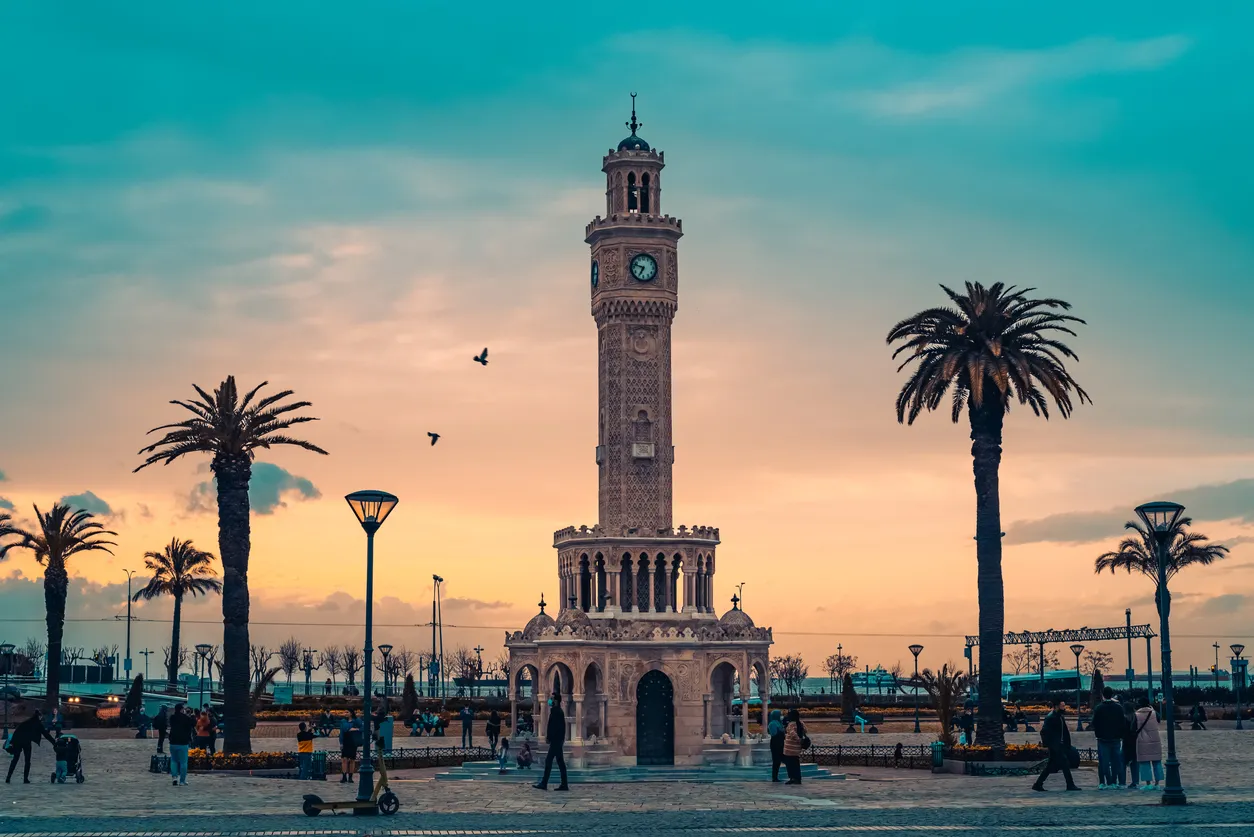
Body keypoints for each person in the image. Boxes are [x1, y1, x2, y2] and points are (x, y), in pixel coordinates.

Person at [1031, 697, 1079, 792]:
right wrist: (1051, 745)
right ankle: (1070, 784)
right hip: (1055, 746)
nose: (1064, 708)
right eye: (1062, 706)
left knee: (1050, 766)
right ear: (1057, 707)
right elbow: (1044, 732)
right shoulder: (1051, 717)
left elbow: (1064, 732)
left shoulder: (1059, 716)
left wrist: (1066, 744)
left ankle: (1038, 784)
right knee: (1065, 763)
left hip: (1059, 745)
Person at [1090, 686, 1127, 789]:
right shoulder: (1118, 707)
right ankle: (1114, 781)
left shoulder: (1099, 708)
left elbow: (1094, 723)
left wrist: (1098, 733)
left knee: (1104, 762)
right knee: (1116, 761)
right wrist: (1120, 734)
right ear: (1112, 694)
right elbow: (1123, 723)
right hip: (1116, 738)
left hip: (1102, 739)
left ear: (1103, 695)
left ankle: (1106, 782)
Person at [5, 710, 55, 783]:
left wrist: (12, 743)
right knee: (27, 761)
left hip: (18, 741)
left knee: (15, 760)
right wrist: (54, 742)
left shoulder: (27, 722)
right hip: (26, 742)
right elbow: (46, 734)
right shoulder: (38, 724)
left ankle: (8, 777)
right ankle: (25, 778)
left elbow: (17, 731)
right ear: (39, 716)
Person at [533, 696, 568, 791]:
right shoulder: (557, 711)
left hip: (556, 741)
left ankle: (544, 783)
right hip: (558, 740)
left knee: (549, 761)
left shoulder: (557, 712)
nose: (550, 700)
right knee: (560, 762)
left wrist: (550, 738)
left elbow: (554, 727)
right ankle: (564, 784)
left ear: (556, 701)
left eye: (552, 699)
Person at [1134, 697, 1163, 790]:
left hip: (1142, 740)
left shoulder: (1136, 714)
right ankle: (1157, 783)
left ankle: (1148, 783)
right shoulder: (1154, 713)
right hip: (1155, 739)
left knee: (1144, 763)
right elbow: (1159, 719)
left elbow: (1133, 727)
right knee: (1157, 762)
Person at [168, 704, 195, 786]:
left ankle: (174, 777)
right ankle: (182, 781)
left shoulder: (172, 718)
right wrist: (190, 715)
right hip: (183, 742)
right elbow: (193, 723)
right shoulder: (186, 718)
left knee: (174, 760)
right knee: (183, 762)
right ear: (181, 709)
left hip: (173, 741)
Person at [782, 708, 807, 785]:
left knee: (790, 765)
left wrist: (798, 739)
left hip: (789, 748)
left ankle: (792, 778)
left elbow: (792, 733)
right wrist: (800, 739)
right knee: (796, 764)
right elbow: (805, 730)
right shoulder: (801, 723)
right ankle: (798, 778)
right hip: (797, 748)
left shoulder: (791, 724)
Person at [1121, 701, 1139, 789]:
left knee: (1123, 762)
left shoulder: (1124, 719)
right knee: (1134, 762)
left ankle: (1122, 781)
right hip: (1135, 742)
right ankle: (1135, 781)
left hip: (1126, 742)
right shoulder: (1136, 718)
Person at [339, 714, 359, 784]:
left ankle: (350, 777)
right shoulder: (343, 721)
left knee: (352, 759)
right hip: (346, 740)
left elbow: (361, 728)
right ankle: (344, 776)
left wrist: (356, 729)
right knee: (344, 759)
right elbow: (342, 732)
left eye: (347, 712)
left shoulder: (356, 721)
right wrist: (341, 743)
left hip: (353, 741)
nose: (346, 713)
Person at [767, 709, 785, 782]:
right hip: (775, 743)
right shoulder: (772, 724)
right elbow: (774, 734)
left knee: (779, 760)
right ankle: (774, 777)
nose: (781, 716)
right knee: (776, 760)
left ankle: (776, 776)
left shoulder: (779, 723)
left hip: (781, 743)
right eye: (780, 714)